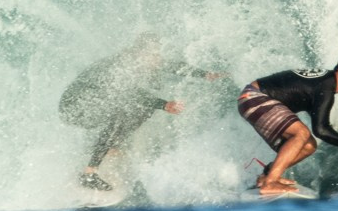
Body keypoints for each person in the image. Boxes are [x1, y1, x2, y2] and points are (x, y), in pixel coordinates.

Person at [59, 33, 222, 192]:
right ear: (140, 53)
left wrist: (205, 74)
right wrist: (164, 104)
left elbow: (171, 66)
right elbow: (129, 93)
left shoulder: (141, 61)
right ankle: (89, 173)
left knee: (142, 108)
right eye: (154, 53)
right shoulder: (123, 65)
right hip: (75, 107)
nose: (158, 57)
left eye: (158, 52)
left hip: (91, 103)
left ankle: (110, 146)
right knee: (124, 108)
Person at [236, 52, 338, 196]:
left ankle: (267, 175)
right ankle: (270, 182)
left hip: (251, 99)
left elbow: (320, 124)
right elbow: (320, 129)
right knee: (300, 133)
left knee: (309, 145)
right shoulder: (326, 87)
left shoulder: (325, 83)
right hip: (254, 97)